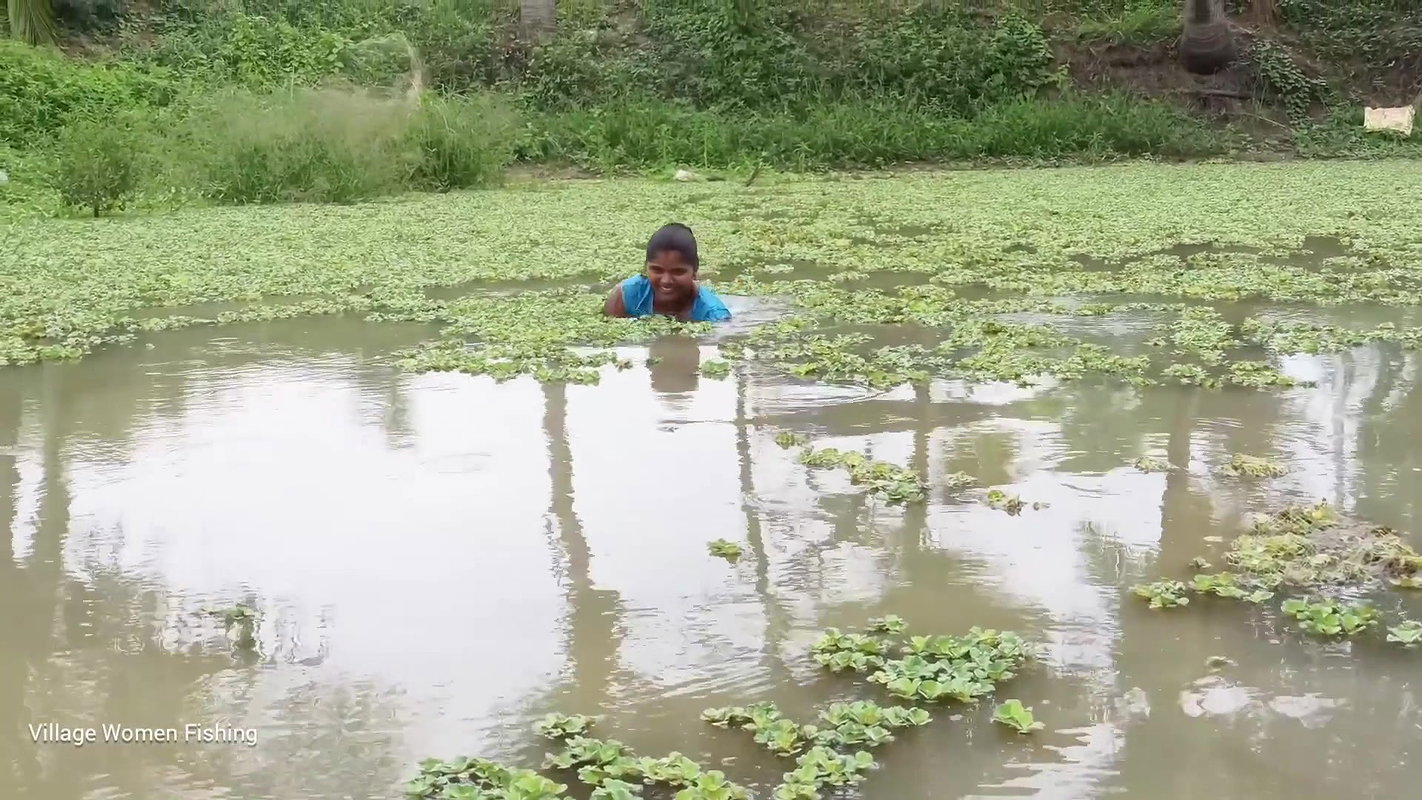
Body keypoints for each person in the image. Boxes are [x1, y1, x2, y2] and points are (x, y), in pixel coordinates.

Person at [603, 223, 732, 322]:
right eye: (657, 270)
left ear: (694, 272)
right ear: (645, 267)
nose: (666, 281)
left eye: (678, 272)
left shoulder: (714, 314)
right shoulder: (625, 296)